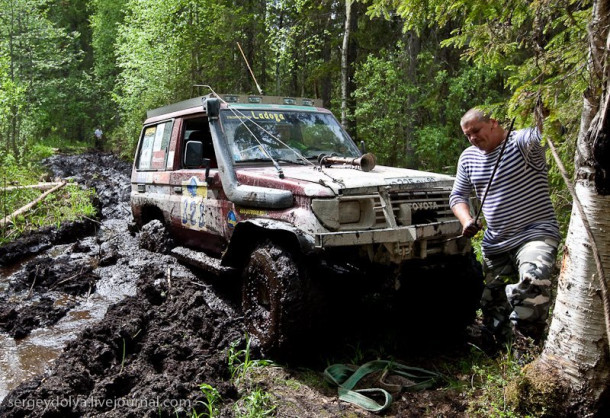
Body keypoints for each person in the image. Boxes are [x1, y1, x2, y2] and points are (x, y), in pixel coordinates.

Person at [449, 108, 561, 345]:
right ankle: (497, 352)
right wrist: (467, 220)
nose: (473, 138)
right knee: (492, 304)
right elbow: (457, 196)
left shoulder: (521, 141)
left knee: (532, 284)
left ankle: (527, 355)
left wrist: (540, 104)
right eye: (467, 135)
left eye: (476, 131)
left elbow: (550, 128)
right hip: (496, 243)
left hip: (534, 234)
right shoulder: (468, 157)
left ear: (493, 123)